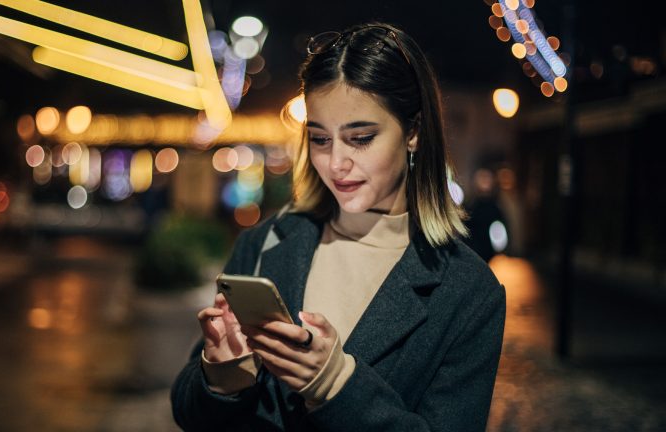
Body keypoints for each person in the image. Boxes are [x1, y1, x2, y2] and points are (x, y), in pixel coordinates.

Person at [171, 22, 506, 431]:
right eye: (320, 139)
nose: (336, 164)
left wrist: (336, 386)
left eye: (360, 138)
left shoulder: (468, 291)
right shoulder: (267, 241)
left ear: (414, 132)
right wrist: (223, 374)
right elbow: (189, 410)